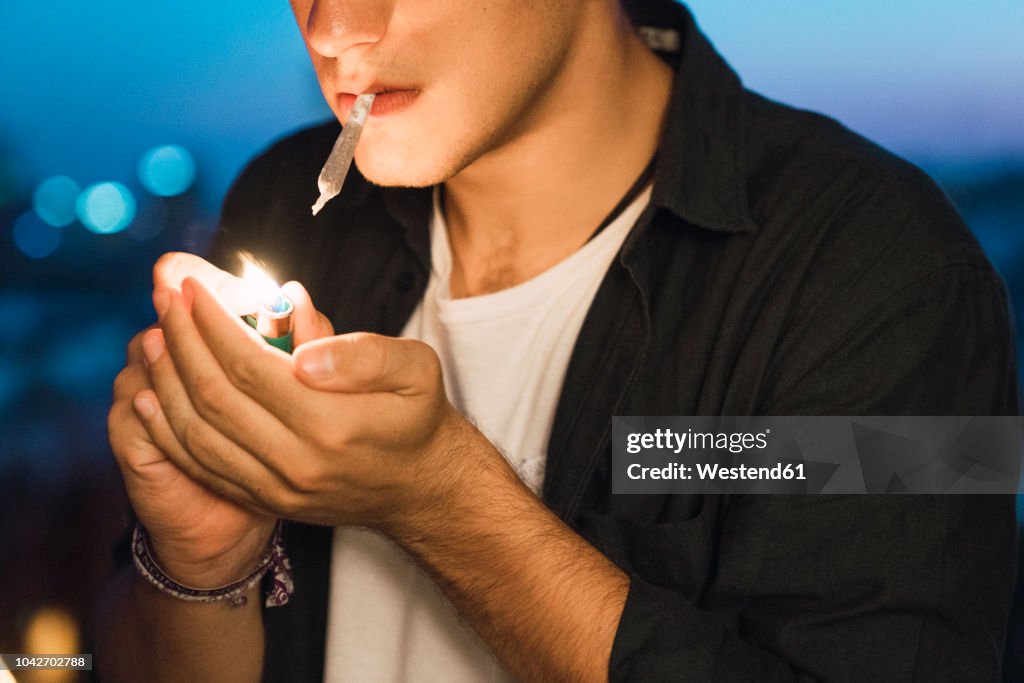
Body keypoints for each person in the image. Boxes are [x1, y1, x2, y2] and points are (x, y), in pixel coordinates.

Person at [95, 0, 1019, 681]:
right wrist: (197, 563)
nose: (333, 27)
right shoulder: (285, 203)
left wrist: (444, 502)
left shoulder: (903, 274)